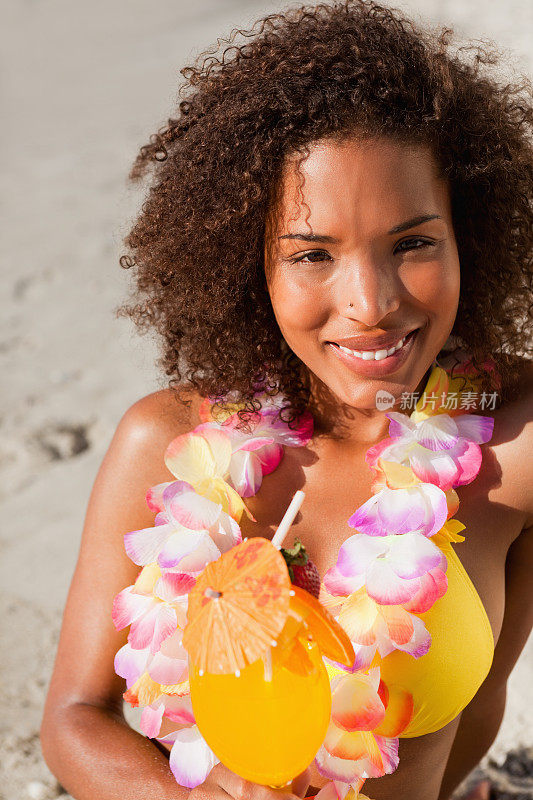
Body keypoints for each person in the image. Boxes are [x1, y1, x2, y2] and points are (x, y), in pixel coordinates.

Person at [40, 2, 533, 799]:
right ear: (247, 266)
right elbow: (74, 716)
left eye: (412, 243)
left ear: (467, 234)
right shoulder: (164, 442)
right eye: (311, 254)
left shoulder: (510, 437)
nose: (369, 303)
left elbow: (477, 710)